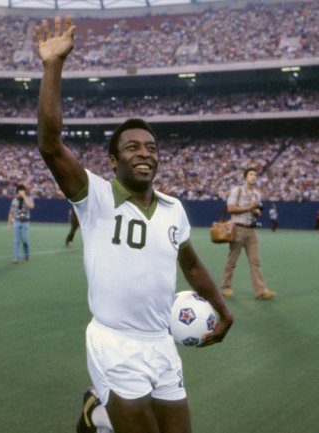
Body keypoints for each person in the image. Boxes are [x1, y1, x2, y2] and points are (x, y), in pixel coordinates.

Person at [36, 16, 233, 433]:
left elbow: (191, 264)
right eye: (132, 147)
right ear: (113, 160)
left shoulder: (173, 209)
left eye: (151, 147)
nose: (144, 153)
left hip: (161, 342)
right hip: (114, 343)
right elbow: (50, 146)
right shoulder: (95, 196)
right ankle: (103, 410)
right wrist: (53, 65)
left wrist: (222, 308)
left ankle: (98, 413)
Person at [220, 167, 277, 301]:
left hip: (252, 230)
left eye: (255, 175)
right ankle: (225, 287)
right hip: (238, 228)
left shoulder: (257, 194)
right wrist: (249, 207)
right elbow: (230, 208)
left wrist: (256, 212)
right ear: (245, 177)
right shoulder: (237, 190)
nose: (253, 177)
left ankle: (261, 291)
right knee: (232, 260)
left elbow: (257, 210)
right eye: (251, 174)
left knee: (255, 262)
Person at [7, 184, 34, 264]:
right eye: (20, 190)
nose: (21, 192)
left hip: (25, 222)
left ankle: (26, 255)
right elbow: (11, 212)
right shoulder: (14, 200)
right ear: (17, 192)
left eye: (22, 190)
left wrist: (24, 196)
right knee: (16, 240)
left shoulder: (28, 198)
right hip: (17, 221)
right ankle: (16, 257)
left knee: (25, 240)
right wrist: (9, 223)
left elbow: (30, 206)